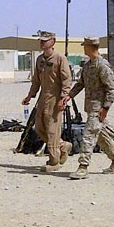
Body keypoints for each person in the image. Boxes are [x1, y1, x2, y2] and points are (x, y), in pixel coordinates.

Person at [60, 37, 114, 179]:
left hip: (98, 108)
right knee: (101, 137)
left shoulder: (103, 66)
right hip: (90, 107)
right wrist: (69, 96)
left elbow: (111, 88)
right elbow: (80, 83)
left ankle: (83, 167)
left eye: (85, 46)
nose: (83, 48)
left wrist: (105, 108)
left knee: (88, 136)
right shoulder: (88, 65)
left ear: (89, 47)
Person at [21, 31, 73, 172]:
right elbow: (36, 81)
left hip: (55, 98)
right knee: (39, 128)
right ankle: (62, 146)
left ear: (53, 42)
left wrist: (63, 98)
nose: (42, 43)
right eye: (41, 40)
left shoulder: (60, 58)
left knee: (52, 130)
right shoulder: (39, 60)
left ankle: (54, 161)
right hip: (43, 98)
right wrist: (30, 96)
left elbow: (66, 80)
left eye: (45, 40)